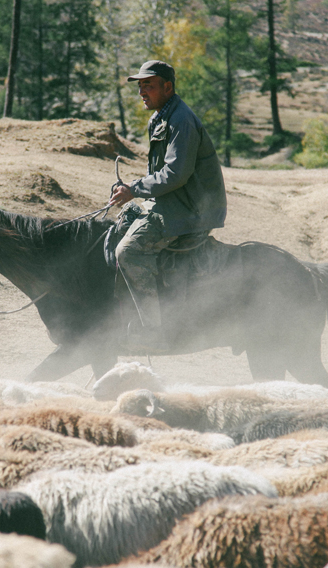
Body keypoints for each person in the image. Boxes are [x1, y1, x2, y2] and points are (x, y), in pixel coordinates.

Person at [109, 59, 227, 353]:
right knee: (117, 226)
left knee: (129, 251)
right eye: (140, 86)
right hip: (171, 201)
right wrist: (131, 191)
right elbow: (159, 173)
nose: (142, 92)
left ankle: (152, 330)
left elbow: (175, 174)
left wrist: (134, 189)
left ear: (168, 87)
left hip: (189, 210)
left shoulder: (181, 120)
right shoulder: (162, 116)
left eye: (148, 85)